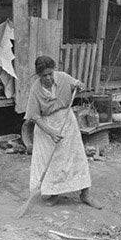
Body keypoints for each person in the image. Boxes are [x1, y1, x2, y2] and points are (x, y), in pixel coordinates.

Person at [18, 55, 101, 216]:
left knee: (76, 158)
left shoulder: (63, 78)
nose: (48, 78)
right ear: (38, 75)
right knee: (51, 162)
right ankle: (54, 193)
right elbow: (34, 116)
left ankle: (85, 194)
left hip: (66, 121)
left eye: (50, 73)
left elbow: (78, 84)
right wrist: (51, 132)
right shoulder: (36, 88)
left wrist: (79, 85)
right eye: (44, 75)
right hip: (46, 126)